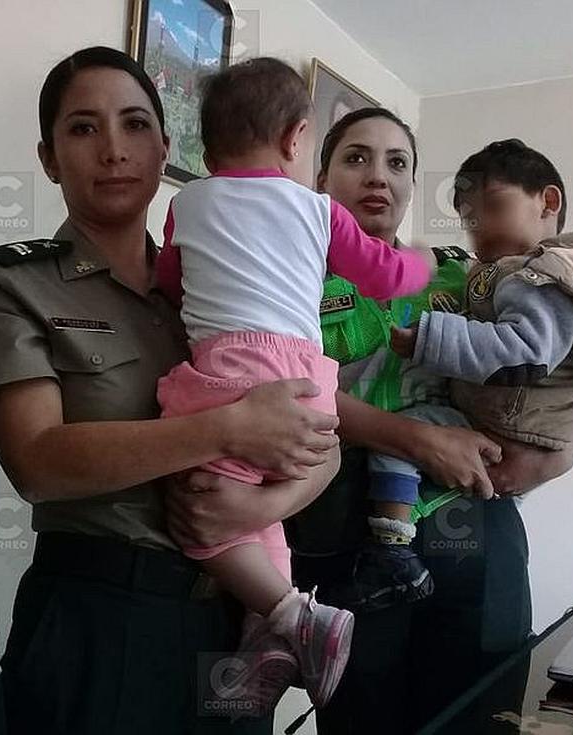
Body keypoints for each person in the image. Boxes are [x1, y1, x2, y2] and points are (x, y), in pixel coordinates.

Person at [0, 46, 344, 734]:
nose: (113, 149)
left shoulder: (221, 283)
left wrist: (263, 501)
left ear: (167, 150)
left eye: (135, 125)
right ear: (48, 158)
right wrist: (227, 429)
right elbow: (38, 462)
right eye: (83, 128)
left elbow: (320, 437)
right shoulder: (9, 286)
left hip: (235, 617)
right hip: (101, 619)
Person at [284, 109, 573, 734]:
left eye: (396, 162)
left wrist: (560, 452)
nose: (378, 176)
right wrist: (420, 439)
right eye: (356, 158)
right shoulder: (288, 278)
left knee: (481, 717)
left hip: (479, 533)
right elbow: (289, 395)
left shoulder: (465, 275)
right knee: (362, 719)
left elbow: (564, 365)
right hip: (356, 537)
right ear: (322, 179)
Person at [154, 57, 433, 712]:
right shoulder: (318, 210)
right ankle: (273, 630)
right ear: (294, 138)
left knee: (200, 507)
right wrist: (421, 266)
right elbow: (386, 277)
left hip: (230, 371)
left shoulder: (187, 201)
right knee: (269, 506)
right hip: (307, 379)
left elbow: (170, 281)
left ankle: (303, 617)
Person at [390, 138, 573, 463]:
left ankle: (393, 515)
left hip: (502, 430)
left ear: (548, 202)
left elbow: (526, 350)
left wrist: (431, 337)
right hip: (501, 428)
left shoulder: (544, 276)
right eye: (469, 220)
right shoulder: (502, 270)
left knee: (399, 443)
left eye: (494, 206)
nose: (480, 227)